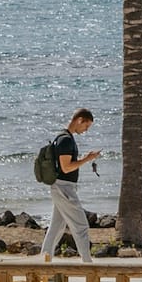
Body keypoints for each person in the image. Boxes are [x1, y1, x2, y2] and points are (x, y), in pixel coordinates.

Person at [40, 108, 101, 263]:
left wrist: (86, 158)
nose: (86, 130)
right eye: (86, 126)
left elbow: (64, 166)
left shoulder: (63, 138)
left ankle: (43, 264)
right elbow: (66, 167)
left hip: (61, 187)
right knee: (81, 226)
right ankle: (88, 265)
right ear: (79, 120)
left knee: (56, 228)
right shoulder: (66, 140)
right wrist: (87, 159)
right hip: (64, 188)